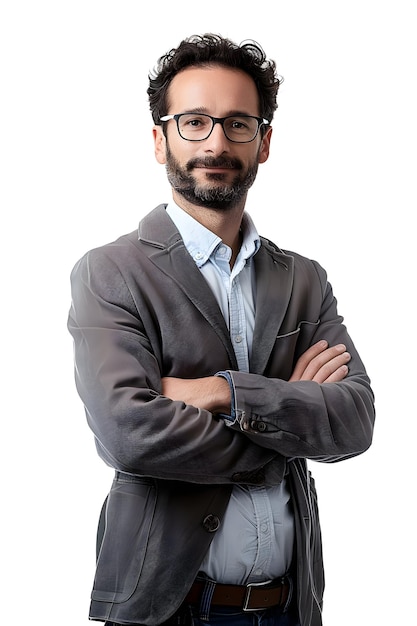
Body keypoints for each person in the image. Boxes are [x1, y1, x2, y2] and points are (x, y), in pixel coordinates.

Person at [67, 34, 375, 626]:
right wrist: (289, 418)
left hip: (290, 604)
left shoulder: (304, 280)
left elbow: (355, 420)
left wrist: (223, 393)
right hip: (169, 608)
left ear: (264, 143)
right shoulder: (110, 272)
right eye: (194, 122)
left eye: (238, 124)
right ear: (160, 141)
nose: (216, 142)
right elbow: (127, 434)